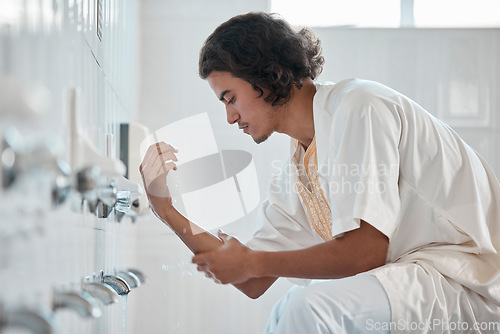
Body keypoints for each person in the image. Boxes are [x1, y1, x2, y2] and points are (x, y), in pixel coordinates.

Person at [140, 11, 500, 334]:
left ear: (263, 74)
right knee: (299, 306)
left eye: (230, 97)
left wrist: (250, 261)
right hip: (411, 281)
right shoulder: (297, 168)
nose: (230, 117)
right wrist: (167, 210)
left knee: (306, 307)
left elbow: (365, 252)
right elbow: (253, 279)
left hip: (465, 282)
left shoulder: (359, 106)